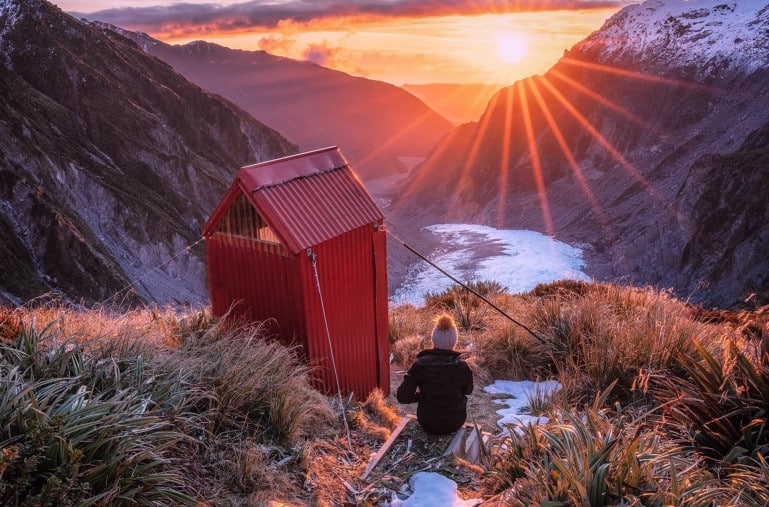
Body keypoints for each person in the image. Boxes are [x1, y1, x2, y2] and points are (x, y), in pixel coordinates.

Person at [396, 313, 474, 435]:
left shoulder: (419, 365)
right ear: (454, 341)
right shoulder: (463, 367)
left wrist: (422, 396)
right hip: (455, 422)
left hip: (427, 422)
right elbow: (468, 391)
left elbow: (403, 397)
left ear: (434, 339)